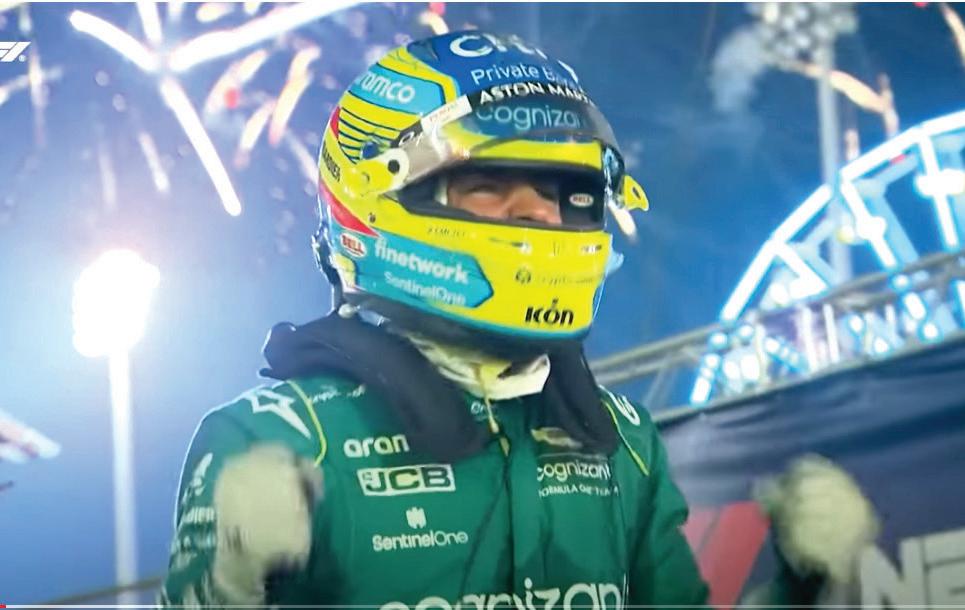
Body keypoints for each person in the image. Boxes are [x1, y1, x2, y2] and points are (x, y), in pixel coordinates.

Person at [160, 31, 876, 609]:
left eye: (562, 190)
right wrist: (226, 588)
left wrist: (800, 587)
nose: (539, 213)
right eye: (487, 184)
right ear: (379, 198)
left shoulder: (621, 437)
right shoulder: (277, 437)